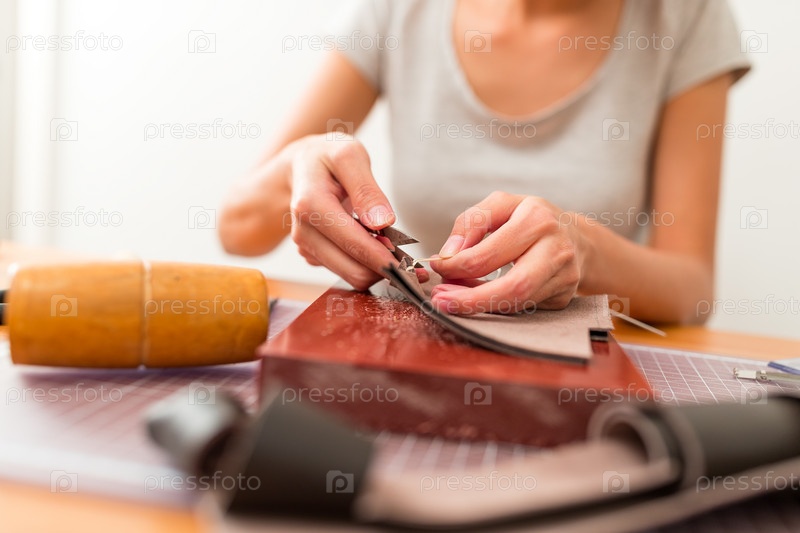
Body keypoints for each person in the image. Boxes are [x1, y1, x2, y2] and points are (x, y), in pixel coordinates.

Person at [219, 0, 750, 323]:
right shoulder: (398, 10)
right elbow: (238, 229)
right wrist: (300, 165)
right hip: (420, 348)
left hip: (586, 373)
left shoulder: (686, 14)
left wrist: (587, 253)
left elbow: (693, 293)